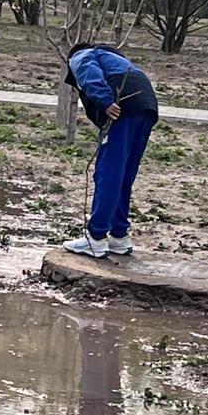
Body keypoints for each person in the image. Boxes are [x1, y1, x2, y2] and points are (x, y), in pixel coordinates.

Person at [63, 45, 158, 259]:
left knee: (109, 174)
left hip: (122, 105)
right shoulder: (115, 59)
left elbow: (88, 72)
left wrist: (105, 101)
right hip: (146, 105)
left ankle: (95, 239)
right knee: (124, 174)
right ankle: (119, 237)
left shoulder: (82, 54)